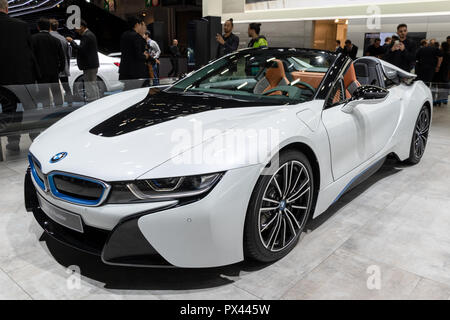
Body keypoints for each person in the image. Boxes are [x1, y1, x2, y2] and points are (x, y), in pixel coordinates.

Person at [0, 0, 39, 151]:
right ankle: (35, 137)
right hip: (23, 77)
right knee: (30, 108)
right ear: (7, 8)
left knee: (8, 110)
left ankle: (13, 141)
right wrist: (36, 75)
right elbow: (31, 52)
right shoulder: (21, 25)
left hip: (2, 79)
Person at [31, 17, 65, 108]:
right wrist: (60, 69)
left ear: (38, 27)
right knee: (56, 92)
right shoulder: (56, 40)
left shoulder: (33, 39)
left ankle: (46, 112)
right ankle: (60, 112)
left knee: (44, 94)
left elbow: (31, 57)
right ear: (49, 27)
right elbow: (62, 57)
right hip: (54, 71)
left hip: (40, 72)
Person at [66, 19, 100, 102]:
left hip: (89, 65)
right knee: (92, 84)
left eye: (76, 28)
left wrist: (72, 41)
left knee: (90, 85)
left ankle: (92, 101)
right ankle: (96, 101)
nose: (76, 30)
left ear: (81, 26)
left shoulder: (87, 36)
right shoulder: (89, 34)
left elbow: (81, 49)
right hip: (91, 64)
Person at [119, 17, 149, 90]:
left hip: (125, 70)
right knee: (137, 93)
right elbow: (138, 54)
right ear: (136, 24)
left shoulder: (124, 35)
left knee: (127, 91)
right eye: (140, 25)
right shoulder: (136, 36)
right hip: (135, 71)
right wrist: (145, 56)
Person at [50, 18, 73, 106]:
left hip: (53, 67)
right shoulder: (63, 38)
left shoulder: (49, 37)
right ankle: (70, 104)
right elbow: (68, 54)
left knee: (54, 88)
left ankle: (57, 106)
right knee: (66, 87)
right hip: (64, 66)